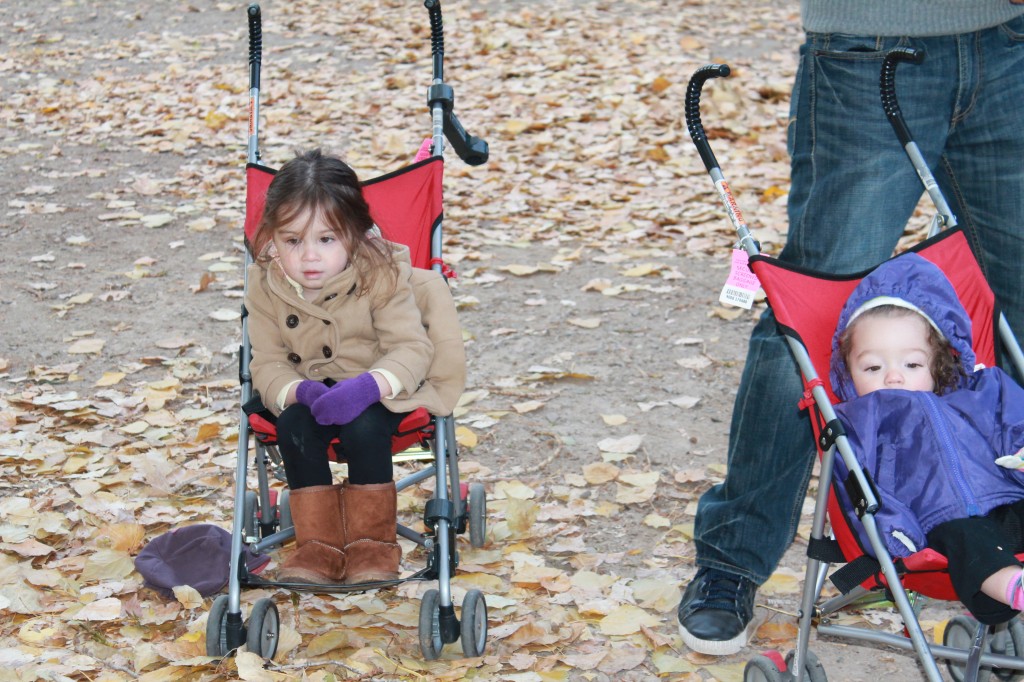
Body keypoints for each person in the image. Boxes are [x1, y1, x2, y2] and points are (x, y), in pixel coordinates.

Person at [679, 1, 1024, 655]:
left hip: (1009, 44)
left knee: (1013, 310)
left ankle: (989, 544)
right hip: (868, 42)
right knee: (811, 315)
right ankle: (732, 561)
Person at [244, 149, 466, 585]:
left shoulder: (381, 273)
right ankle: (318, 547)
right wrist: (300, 392)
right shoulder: (265, 285)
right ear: (272, 237)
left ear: (356, 235)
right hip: (309, 393)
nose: (309, 257)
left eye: (326, 240)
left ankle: (372, 545)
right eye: (293, 241)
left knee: (365, 427)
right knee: (293, 427)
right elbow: (267, 361)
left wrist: (368, 386)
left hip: (381, 389)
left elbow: (411, 347)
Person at [829, 253, 1024, 625]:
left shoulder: (979, 394)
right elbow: (860, 489)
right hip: (934, 525)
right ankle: (1012, 587)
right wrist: (893, 532)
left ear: (937, 364)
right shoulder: (858, 423)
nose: (894, 377)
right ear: (848, 371)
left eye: (912, 364)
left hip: (1006, 502)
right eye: (873, 367)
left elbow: (1015, 424)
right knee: (970, 538)